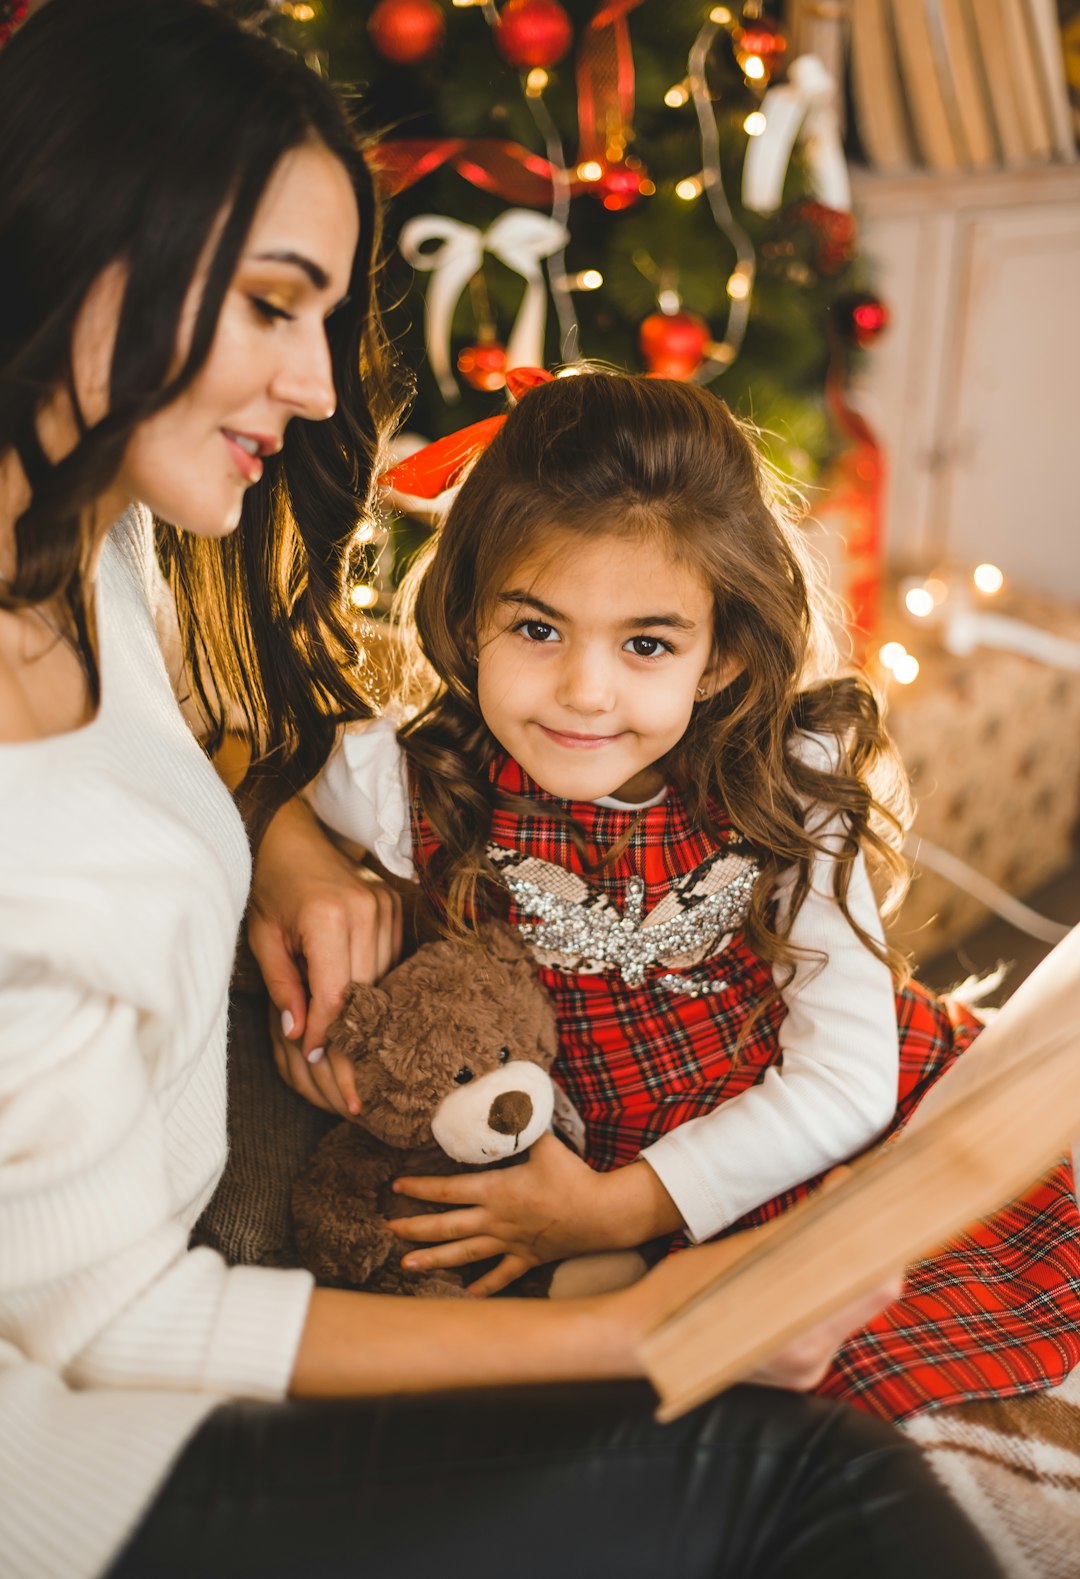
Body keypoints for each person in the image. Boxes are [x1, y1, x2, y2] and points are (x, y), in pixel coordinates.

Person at [0, 3, 1005, 1577]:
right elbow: (111, 1322)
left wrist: (281, 854)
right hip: (70, 1467)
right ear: (70, 239)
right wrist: (644, 1318)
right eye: (273, 305)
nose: (323, 388)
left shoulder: (89, 540)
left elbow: (191, 747)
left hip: (186, 1354)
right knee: (811, 1481)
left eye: (323, 316)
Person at [306, 369, 1080, 1422]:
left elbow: (846, 1079)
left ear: (716, 658)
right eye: (536, 629)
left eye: (647, 643)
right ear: (467, 612)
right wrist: (286, 868)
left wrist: (613, 1211)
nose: (586, 689)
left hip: (828, 1137)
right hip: (601, 1206)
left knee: (867, 1372)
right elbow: (250, 781)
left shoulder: (790, 783)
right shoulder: (411, 781)